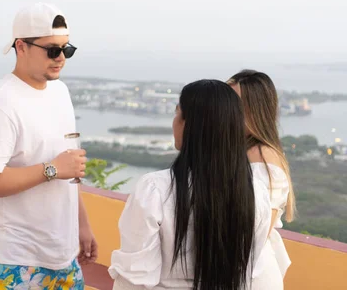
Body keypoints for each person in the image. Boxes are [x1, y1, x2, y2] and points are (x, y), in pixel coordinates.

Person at [0, 3, 97, 289]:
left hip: (62, 258)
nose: (61, 57)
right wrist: (52, 169)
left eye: (67, 49)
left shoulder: (60, 92)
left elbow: (70, 166)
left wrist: (81, 224)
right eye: (52, 49)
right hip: (12, 260)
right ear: (21, 46)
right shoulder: (0, 104)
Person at [109, 79, 274, 290]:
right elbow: (248, 273)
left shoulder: (155, 190)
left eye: (177, 113)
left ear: (189, 124)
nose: (174, 121)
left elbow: (135, 280)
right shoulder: (256, 193)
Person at [228, 70, 295, 282]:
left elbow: (253, 236)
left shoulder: (262, 158)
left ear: (254, 110)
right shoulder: (241, 150)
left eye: (233, 102)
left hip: (246, 274)